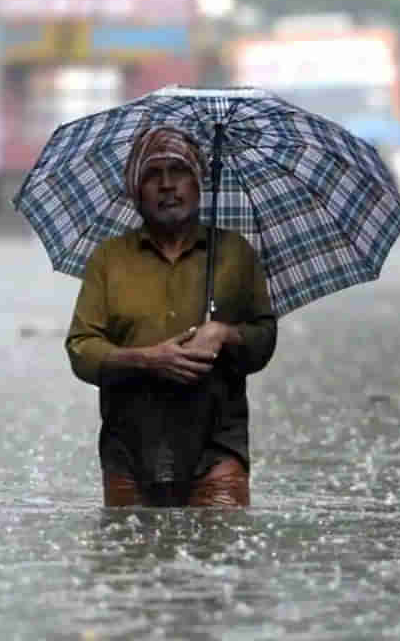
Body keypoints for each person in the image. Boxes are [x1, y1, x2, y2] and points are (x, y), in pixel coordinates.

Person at [65, 126, 277, 507]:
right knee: (129, 558)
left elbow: (264, 340)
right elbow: (81, 350)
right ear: (135, 191)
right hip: (130, 448)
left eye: (178, 171)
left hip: (216, 447)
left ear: (198, 184)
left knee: (221, 555)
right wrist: (147, 359)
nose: (167, 185)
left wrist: (223, 333)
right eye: (152, 175)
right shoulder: (109, 260)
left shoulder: (234, 254)